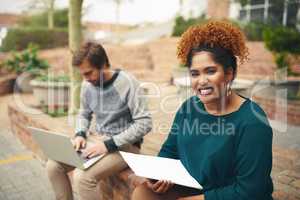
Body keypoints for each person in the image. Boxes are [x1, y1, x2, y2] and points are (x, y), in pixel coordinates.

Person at [132, 20, 273, 200]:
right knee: (143, 193)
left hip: (231, 196)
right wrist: (159, 175)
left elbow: (250, 191)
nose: (202, 81)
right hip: (195, 187)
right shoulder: (189, 108)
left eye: (210, 71)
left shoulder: (252, 121)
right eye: (195, 73)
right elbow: (170, 150)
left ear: (229, 74)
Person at [46, 42, 152, 200]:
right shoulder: (87, 84)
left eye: (89, 73)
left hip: (125, 146)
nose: (86, 79)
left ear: (103, 64)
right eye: (82, 74)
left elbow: (145, 123)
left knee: (82, 178)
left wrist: (108, 145)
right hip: (97, 140)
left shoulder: (127, 83)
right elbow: (84, 113)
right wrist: (80, 134)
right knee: (53, 166)